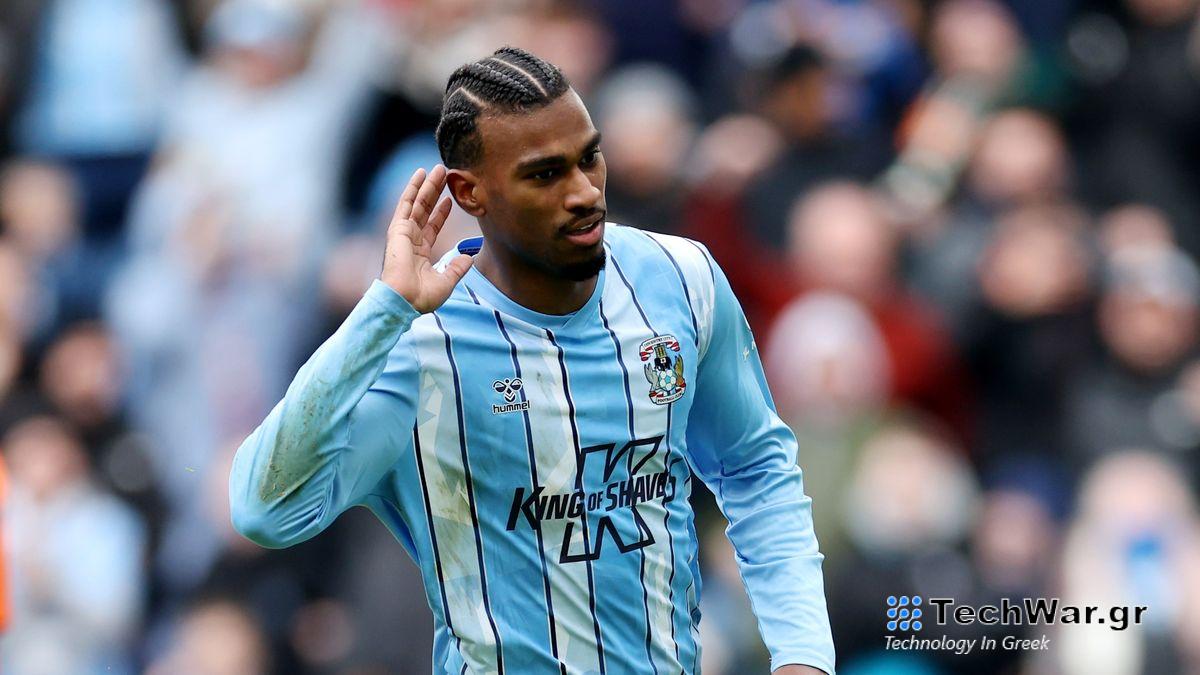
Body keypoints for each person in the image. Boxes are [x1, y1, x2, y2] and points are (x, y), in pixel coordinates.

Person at [229, 47, 834, 675]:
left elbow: (756, 469)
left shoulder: (682, 279)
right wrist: (383, 309)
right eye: (545, 174)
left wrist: (804, 655)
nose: (584, 192)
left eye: (589, 157)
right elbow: (264, 510)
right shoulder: (419, 344)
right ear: (469, 192)